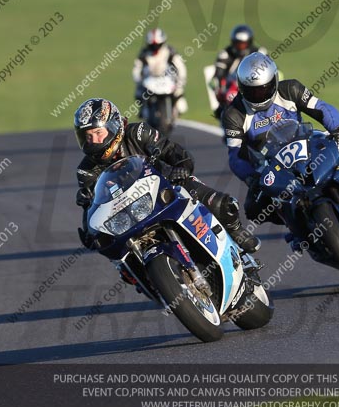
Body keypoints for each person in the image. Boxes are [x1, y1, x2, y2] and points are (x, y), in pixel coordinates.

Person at [74, 99, 260, 286]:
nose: (93, 141)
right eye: (87, 136)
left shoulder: (138, 133)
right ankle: (153, 281)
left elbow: (173, 151)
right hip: (129, 216)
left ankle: (237, 235)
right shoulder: (86, 170)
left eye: (98, 133)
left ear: (113, 127)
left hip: (167, 189)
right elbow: (91, 206)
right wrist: (89, 230)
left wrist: (181, 168)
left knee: (220, 204)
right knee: (121, 265)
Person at [222, 52, 339, 233]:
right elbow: (235, 155)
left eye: (264, 89)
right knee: (253, 208)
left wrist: (338, 131)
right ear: (242, 88)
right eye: (253, 91)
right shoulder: (234, 114)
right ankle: (297, 227)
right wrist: (251, 177)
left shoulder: (290, 89)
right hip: (272, 164)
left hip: (308, 143)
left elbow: (321, 108)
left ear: (274, 80)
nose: (259, 95)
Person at [210, 25, 268, 120]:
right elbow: (218, 75)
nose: (241, 47)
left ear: (249, 42)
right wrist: (218, 90)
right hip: (232, 88)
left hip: (255, 86)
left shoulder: (259, 52)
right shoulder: (225, 54)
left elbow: (272, 71)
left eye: (243, 44)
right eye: (238, 44)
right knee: (222, 110)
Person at [132, 28, 188, 118]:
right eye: (152, 45)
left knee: (180, 98)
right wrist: (139, 80)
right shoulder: (144, 53)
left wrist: (181, 80)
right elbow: (137, 68)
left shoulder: (169, 51)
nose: (155, 48)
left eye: (158, 45)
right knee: (139, 93)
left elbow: (180, 66)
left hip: (167, 79)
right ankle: (144, 110)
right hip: (150, 79)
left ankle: (174, 110)